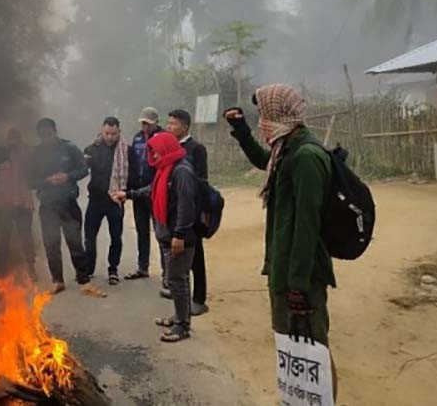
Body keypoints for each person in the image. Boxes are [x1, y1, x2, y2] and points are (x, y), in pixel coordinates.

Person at [223, 84, 337, 395]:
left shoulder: (306, 156)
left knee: (313, 351)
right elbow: (264, 161)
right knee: (292, 351)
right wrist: (241, 130)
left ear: (278, 113)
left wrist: (298, 284)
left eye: (263, 114)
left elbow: (307, 225)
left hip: (300, 276)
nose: (261, 120)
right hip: (284, 271)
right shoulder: (287, 148)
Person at [113, 132, 198, 342]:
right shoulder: (165, 170)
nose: (154, 157)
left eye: (157, 152)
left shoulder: (182, 172)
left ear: (167, 149)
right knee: (179, 279)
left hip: (179, 237)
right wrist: (129, 194)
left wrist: (179, 235)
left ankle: (182, 327)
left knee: (177, 280)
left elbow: (186, 207)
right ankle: (180, 316)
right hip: (168, 235)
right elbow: (152, 190)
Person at [29, 117, 107, 298]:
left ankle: (84, 280)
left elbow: (83, 169)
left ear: (55, 132)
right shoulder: (36, 154)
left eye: (49, 134)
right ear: (39, 136)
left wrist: (68, 176)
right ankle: (58, 281)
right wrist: (47, 180)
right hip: (47, 205)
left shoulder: (69, 148)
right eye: (42, 135)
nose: (46, 138)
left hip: (68, 204)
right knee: (51, 244)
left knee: (75, 243)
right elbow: (29, 181)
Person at [165, 110, 210, 316]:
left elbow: (201, 182)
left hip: (192, 210)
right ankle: (180, 291)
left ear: (184, 127)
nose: (169, 127)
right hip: (175, 210)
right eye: (168, 123)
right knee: (180, 257)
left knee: (196, 256)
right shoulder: (171, 148)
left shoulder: (196, 149)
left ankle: (199, 298)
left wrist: (198, 212)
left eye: (173, 124)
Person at [83, 117, 128, 286]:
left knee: (116, 237)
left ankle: (113, 269)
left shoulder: (125, 151)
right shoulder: (91, 149)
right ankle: (88, 268)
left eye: (113, 134)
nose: (110, 137)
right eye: (107, 133)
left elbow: (133, 173)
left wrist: (128, 193)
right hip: (95, 200)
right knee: (89, 236)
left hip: (115, 201)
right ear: (102, 131)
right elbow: (80, 170)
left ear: (119, 132)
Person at [125, 107, 166, 286]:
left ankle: (167, 273)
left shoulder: (164, 138)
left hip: (157, 193)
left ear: (156, 122)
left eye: (148, 124)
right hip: (138, 192)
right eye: (143, 123)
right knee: (142, 231)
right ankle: (143, 267)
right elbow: (133, 162)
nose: (145, 127)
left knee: (161, 233)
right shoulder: (138, 137)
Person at [0, 127, 37, 281]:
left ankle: (31, 267)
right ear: (7, 139)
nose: (13, 141)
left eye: (16, 138)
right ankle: (2, 268)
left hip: (23, 203)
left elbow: (34, 174)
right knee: (4, 238)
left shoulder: (27, 153)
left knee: (26, 236)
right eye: (11, 138)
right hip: (4, 204)